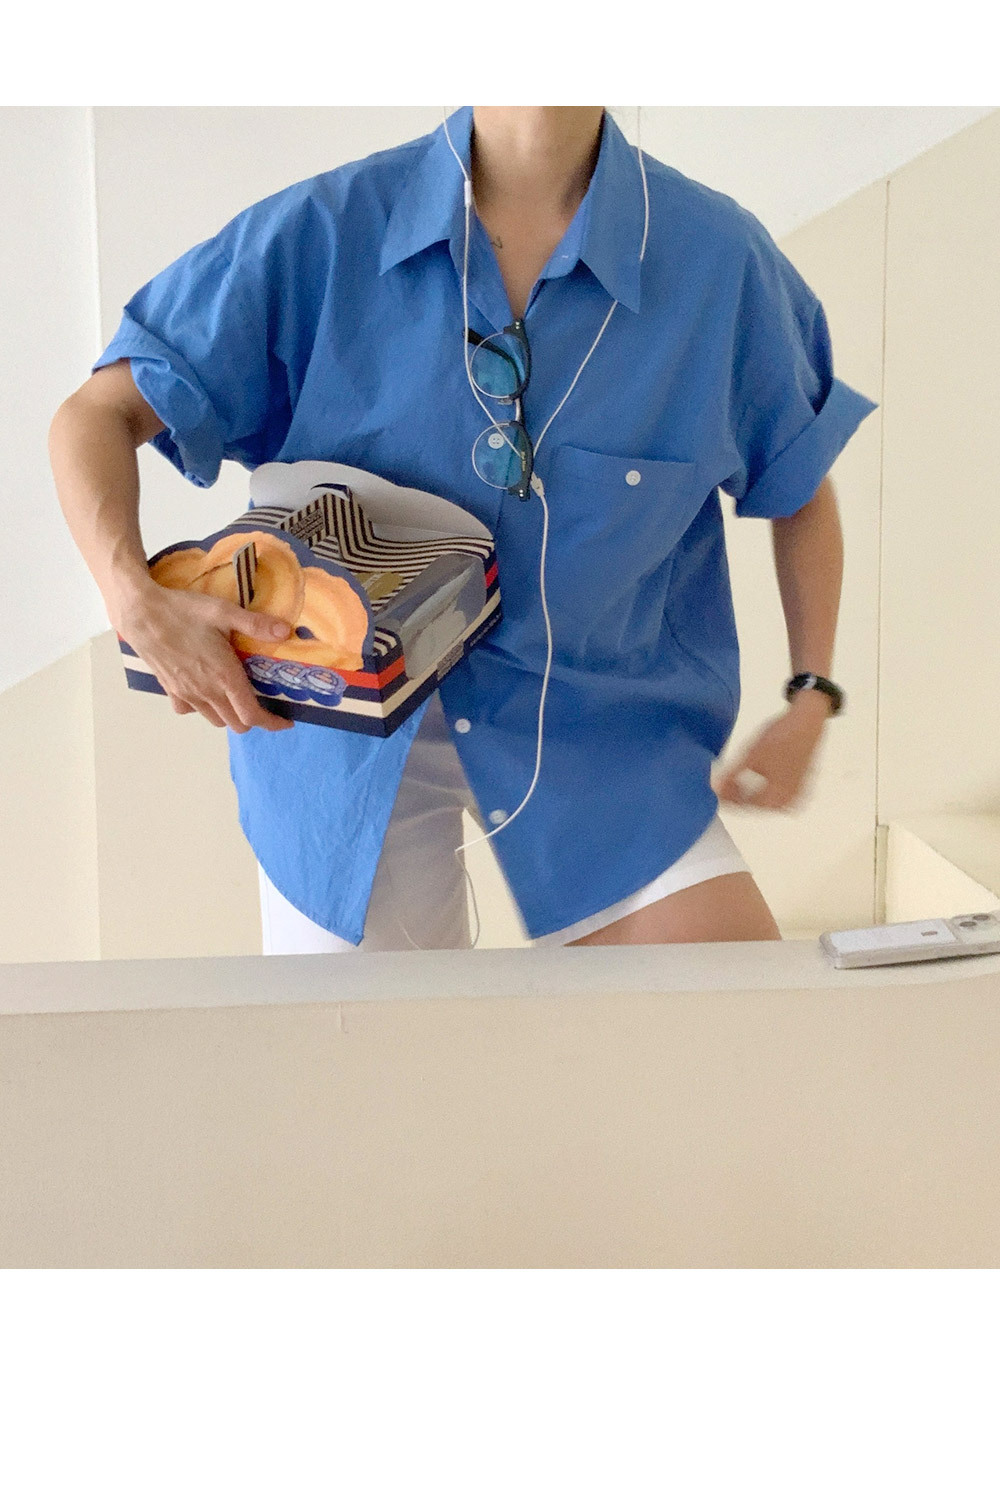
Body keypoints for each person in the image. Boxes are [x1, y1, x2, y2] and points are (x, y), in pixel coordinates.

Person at [48, 105, 877, 953]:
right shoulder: (320, 233)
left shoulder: (717, 263)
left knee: (726, 1014)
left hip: (600, 731)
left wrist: (812, 694)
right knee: (377, 1040)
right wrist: (132, 598)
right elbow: (96, 414)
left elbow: (799, 483)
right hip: (339, 737)